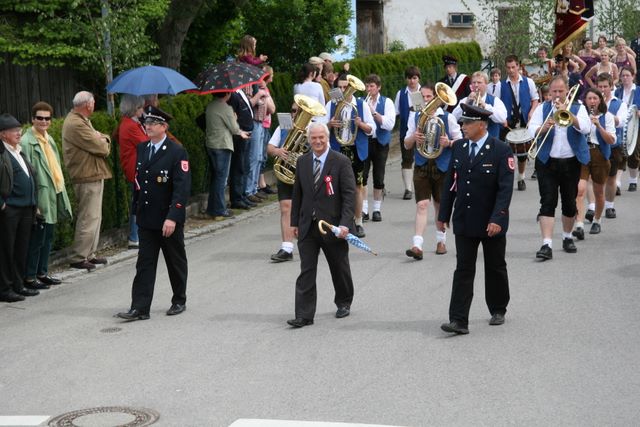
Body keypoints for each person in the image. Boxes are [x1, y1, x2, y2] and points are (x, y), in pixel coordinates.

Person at [437, 104, 514, 335]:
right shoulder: (459, 148)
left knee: (495, 266)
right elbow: (451, 183)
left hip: (491, 220)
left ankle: (498, 308)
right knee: (463, 269)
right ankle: (458, 319)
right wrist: (443, 215)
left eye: (468, 123)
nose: (463, 126)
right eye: (463, 122)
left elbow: (505, 190)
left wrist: (497, 218)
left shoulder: (501, 150)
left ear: (482, 125)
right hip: (465, 218)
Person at [116, 106, 191, 321]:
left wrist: (173, 217)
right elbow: (140, 183)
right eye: (146, 123)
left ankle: (179, 299)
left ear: (164, 127)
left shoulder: (177, 151)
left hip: (167, 218)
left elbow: (181, 188)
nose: (147, 126)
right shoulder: (142, 148)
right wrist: (137, 210)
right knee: (144, 263)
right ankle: (139, 308)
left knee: (175, 261)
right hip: (147, 217)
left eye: (152, 123)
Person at [287, 122, 355, 328]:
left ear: (327, 138)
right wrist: (295, 222)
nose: (317, 141)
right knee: (306, 270)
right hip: (308, 225)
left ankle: (343, 301)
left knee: (339, 267)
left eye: (321, 138)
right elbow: (297, 194)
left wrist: (345, 224)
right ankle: (304, 315)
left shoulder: (341, 161)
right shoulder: (302, 162)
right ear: (309, 140)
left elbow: (349, 196)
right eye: (314, 138)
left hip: (333, 226)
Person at [527, 76, 590, 260]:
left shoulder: (578, 107)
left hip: (571, 162)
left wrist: (568, 114)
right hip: (547, 162)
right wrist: (543, 128)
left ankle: (567, 236)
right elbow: (531, 130)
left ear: (567, 91)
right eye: (553, 91)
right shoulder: (543, 108)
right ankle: (546, 244)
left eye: (560, 91)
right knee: (547, 201)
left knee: (569, 203)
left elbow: (586, 128)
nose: (557, 95)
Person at [404, 83, 462, 259]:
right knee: (422, 205)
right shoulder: (415, 116)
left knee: (439, 205)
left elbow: (461, 142)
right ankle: (417, 245)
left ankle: (441, 241)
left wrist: (449, 143)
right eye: (423, 97)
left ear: (436, 99)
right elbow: (406, 145)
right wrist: (413, 138)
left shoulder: (447, 118)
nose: (426, 100)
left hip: (442, 166)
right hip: (422, 164)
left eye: (429, 97)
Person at [21, 102, 72, 290]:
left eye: (47, 118)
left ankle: (42, 273)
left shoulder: (48, 139)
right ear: (32, 119)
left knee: (48, 236)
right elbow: (26, 174)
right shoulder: (26, 142)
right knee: (36, 239)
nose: (44, 121)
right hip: (40, 196)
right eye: (40, 118)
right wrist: (34, 203)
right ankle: (30, 277)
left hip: (53, 191)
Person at [62, 91, 112, 271]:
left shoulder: (81, 120)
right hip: (86, 175)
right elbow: (102, 148)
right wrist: (103, 138)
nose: (94, 105)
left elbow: (100, 141)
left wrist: (101, 137)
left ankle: (89, 254)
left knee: (94, 217)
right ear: (88, 105)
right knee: (88, 217)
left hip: (92, 173)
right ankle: (79, 256)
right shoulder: (76, 123)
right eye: (93, 102)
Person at [321, 73, 374, 238]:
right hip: (337, 150)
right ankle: (339, 221)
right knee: (335, 188)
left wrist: (361, 124)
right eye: (341, 87)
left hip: (356, 150)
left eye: (346, 87)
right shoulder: (331, 104)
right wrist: (329, 124)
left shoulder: (361, 105)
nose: (344, 90)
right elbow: (319, 129)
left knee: (357, 187)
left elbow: (372, 129)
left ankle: (358, 222)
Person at [0, 114, 40, 302]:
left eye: (19, 129)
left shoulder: (19, 151)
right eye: (14, 130)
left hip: (26, 209)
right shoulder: (2, 153)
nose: (19, 133)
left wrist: (34, 203)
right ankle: (4, 289)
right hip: (10, 210)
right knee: (6, 250)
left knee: (21, 249)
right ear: (2, 134)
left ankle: (18, 285)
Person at [572, 88, 616, 240]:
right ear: (585, 101)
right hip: (583, 152)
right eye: (589, 99)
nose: (592, 101)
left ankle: (597, 220)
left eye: (595, 99)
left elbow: (611, 140)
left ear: (600, 100)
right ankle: (579, 224)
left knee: (598, 192)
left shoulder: (607, 116)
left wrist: (598, 126)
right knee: (580, 190)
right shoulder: (582, 114)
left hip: (600, 155)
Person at [205, 92, 250, 220]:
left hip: (211, 144)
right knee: (221, 179)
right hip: (223, 145)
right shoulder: (226, 108)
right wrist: (234, 118)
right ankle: (219, 210)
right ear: (228, 94)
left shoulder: (210, 106)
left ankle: (212, 208)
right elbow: (234, 129)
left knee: (215, 178)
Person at [500, 55, 540, 191]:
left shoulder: (529, 82)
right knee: (505, 152)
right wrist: (501, 118)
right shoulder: (500, 85)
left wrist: (532, 112)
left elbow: (535, 99)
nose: (511, 70)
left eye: (513, 67)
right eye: (508, 68)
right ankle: (507, 179)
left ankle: (521, 178)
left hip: (524, 119)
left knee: (522, 153)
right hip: (507, 121)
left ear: (518, 66)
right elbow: (497, 103)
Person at [267, 103, 300, 263]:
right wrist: (278, 151)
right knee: (286, 207)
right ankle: (287, 248)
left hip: (306, 175)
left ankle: (311, 241)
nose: (295, 113)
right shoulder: (283, 127)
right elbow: (270, 148)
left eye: (299, 111)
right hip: (286, 173)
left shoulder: (314, 128)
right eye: (293, 110)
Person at [362, 74, 396, 222]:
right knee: (362, 176)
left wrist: (373, 112)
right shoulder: (362, 102)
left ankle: (376, 209)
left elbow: (389, 125)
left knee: (379, 176)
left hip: (381, 142)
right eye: (367, 86)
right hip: (365, 141)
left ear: (379, 87)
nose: (369, 89)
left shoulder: (387, 102)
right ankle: (364, 209)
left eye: (372, 86)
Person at [115, 94, 146, 249]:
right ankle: (135, 237)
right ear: (134, 109)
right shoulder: (131, 126)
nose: (142, 110)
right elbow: (146, 142)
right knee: (139, 202)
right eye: (140, 107)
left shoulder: (127, 123)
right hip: (136, 168)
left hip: (133, 167)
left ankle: (137, 235)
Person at [596, 73, 627, 220]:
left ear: (611, 87)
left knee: (611, 178)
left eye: (605, 87)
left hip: (613, 145)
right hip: (595, 145)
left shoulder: (619, 103)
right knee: (594, 179)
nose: (602, 89)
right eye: (600, 86)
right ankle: (592, 207)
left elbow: (620, 122)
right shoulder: (591, 100)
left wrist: (604, 111)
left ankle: (609, 206)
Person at [452, 71, 507, 139]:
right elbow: (453, 117)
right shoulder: (465, 100)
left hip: (490, 141)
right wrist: (466, 103)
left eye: (479, 82)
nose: (476, 85)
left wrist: (485, 106)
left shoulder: (495, 100)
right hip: (470, 140)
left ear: (486, 84)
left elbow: (502, 118)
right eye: (474, 82)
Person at [395, 66, 422, 200]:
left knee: (423, 160)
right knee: (407, 159)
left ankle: (422, 186)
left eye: (414, 78)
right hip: (406, 132)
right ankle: (408, 189)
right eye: (409, 78)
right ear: (406, 79)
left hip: (423, 131)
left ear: (418, 79)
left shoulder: (424, 92)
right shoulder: (401, 93)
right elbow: (396, 112)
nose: (412, 81)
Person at [227, 89, 256, 210]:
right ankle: (237, 198)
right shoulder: (233, 95)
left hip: (247, 133)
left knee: (245, 166)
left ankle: (243, 195)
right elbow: (233, 115)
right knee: (238, 167)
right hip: (239, 135)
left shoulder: (240, 92)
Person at [616, 67, 640, 191]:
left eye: (627, 75)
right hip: (621, 126)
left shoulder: (638, 90)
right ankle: (617, 183)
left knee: (633, 154)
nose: (625, 78)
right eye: (623, 76)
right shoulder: (617, 92)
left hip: (635, 126)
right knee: (619, 153)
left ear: (633, 76)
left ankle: (633, 180)